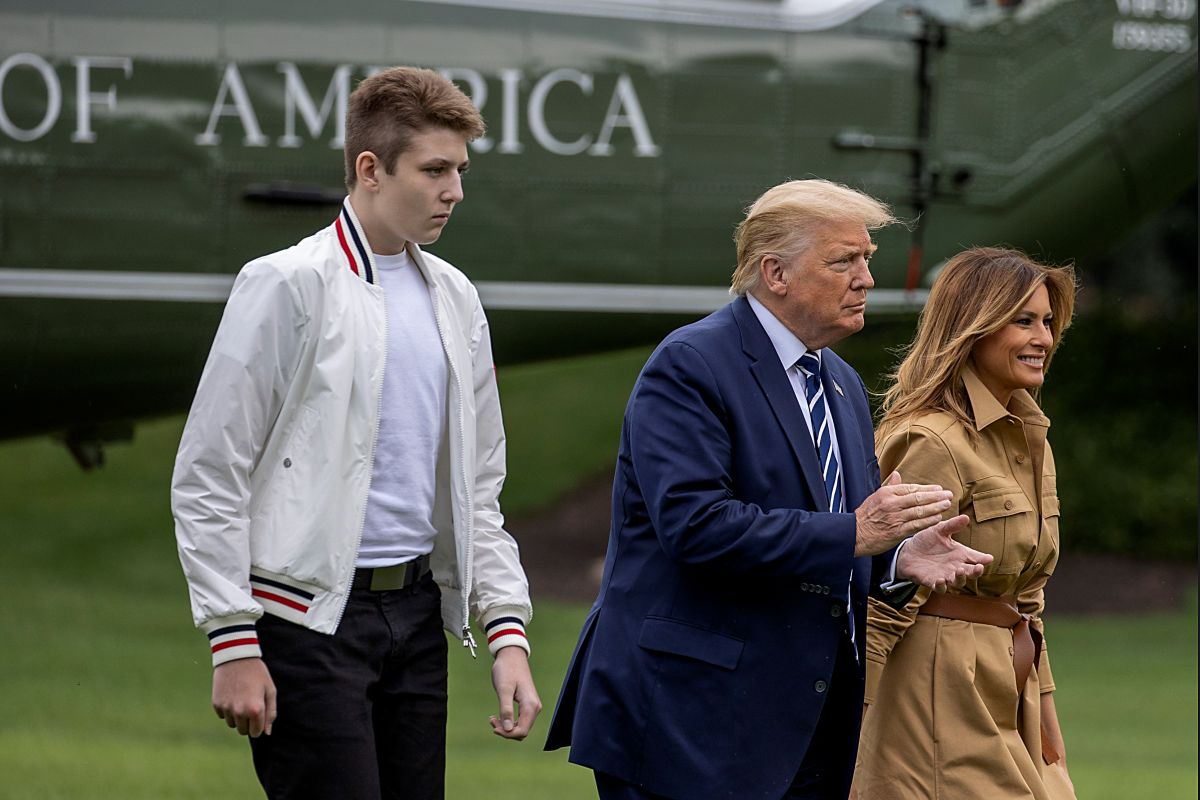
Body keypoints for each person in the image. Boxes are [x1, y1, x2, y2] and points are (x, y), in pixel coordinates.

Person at [545, 179, 995, 800]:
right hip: (691, 722)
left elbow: (835, 526)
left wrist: (894, 557)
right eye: (844, 261)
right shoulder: (691, 364)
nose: (866, 278)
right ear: (774, 272)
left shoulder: (837, 379)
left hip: (807, 721)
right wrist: (857, 533)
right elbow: (696, 526)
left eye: (868, 259)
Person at [170, 67, 540, 800]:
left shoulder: (457, 299)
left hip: (416, 621)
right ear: (370, 169)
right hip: (303, 625)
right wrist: (232, 639)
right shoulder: (285, 284)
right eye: (435, 170)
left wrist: (506, 631)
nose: (454, 191)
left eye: (460, 170)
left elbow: (478, 487)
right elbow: (210, 473)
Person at [853, 247, 1078, 799]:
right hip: (935, 689)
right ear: (973, 328)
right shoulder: (930, 439)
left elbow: (1030, 597)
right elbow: (880, 591)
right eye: (1022, 321)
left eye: (1047, 322)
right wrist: (849, 732)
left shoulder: (1030, 437)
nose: (1043, 338)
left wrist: (1046, 718)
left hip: (1009, 684)